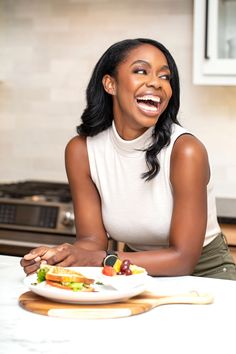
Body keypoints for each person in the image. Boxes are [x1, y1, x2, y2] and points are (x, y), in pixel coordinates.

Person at [20, 38, 236, 280]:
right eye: (141, 71)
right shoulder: (81, 151)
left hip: (206, 276)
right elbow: (91, 241)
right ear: (110, 84)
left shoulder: (185, 150)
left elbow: (182, 260)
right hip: (132, 274)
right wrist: (59, 257)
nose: (156, 82)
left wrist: (102, 259)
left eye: (165, 77)